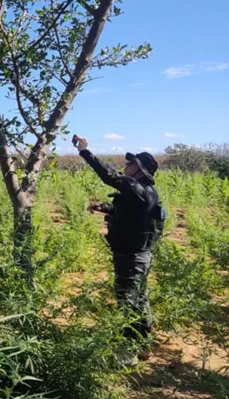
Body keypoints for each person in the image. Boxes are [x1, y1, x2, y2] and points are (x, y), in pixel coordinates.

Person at [74, 135, 165, 365]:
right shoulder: (143, 193)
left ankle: (128, 354)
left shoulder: (138, 189)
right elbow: (128, 214)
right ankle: (143, 345)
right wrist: (103, 207)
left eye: (130, 163)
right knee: (139, 300)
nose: (126, 165)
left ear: (141, 169)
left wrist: (85, 151)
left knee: (127, 302)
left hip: (131, 258)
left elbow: (109, 176)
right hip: (138, 256)